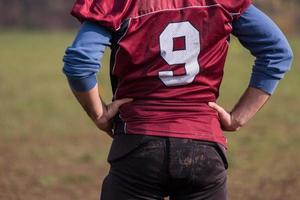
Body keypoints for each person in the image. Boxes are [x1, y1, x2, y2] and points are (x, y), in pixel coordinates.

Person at [63, 0, 293, 199]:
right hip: (203, 143)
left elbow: (79, 62)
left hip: (138, 141)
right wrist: (237, 118)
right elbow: (277, 52)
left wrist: (100, 115)